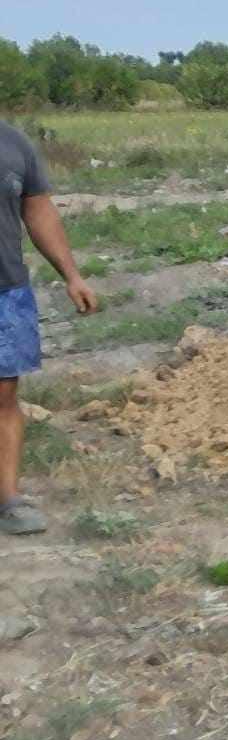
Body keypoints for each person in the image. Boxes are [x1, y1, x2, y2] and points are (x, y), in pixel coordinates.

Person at [0, 122, 98, 536]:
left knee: (3, 397)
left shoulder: (13, 142)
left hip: (5, 290)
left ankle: (8, 499)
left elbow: (38, 210)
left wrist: (72, 275)